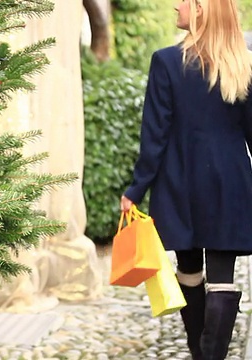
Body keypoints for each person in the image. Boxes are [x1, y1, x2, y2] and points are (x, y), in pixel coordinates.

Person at [119, 0, 252, 359]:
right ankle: (211, 355)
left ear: (200, 8)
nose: (175, 7)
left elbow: (154, 136)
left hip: (180, 180)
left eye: (183, 1)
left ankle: (199, 351)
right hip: (230, 180)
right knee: (223, 275)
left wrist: (137, 187)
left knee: (189, 270)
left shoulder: (165, 61)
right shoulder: (242, 63)